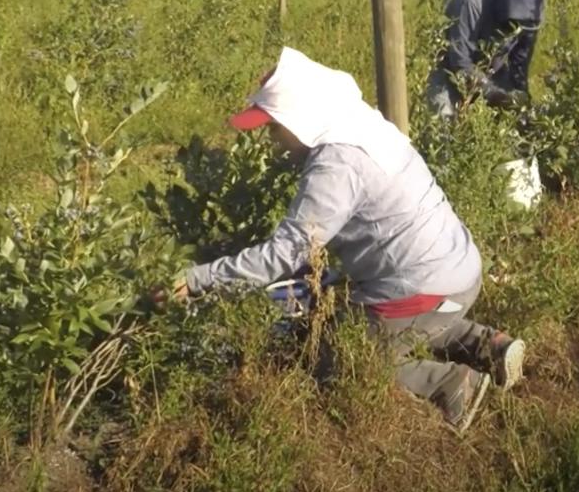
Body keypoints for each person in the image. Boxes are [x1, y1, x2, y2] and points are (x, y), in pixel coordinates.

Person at [175, 47, 526, 434]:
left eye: (274, 126)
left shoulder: (337, 165)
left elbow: (285, 253)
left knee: (339, 354)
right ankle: (489, 345)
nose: (271, 138)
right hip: (460, 270)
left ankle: (450, 384)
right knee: (394, 321)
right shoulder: (359, 122)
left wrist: (196, 280)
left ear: (300, 120)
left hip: (424, 285)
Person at [426, 0, 545, 119]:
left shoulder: (530, 18)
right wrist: (492, 93)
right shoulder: (471, 3)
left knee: (515, 121)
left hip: (494, 70)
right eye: (512, 24)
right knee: (444, 123)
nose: (516, 30)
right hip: (449, 70)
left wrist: (520, 99)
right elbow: (460, 61)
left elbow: (520, 61)